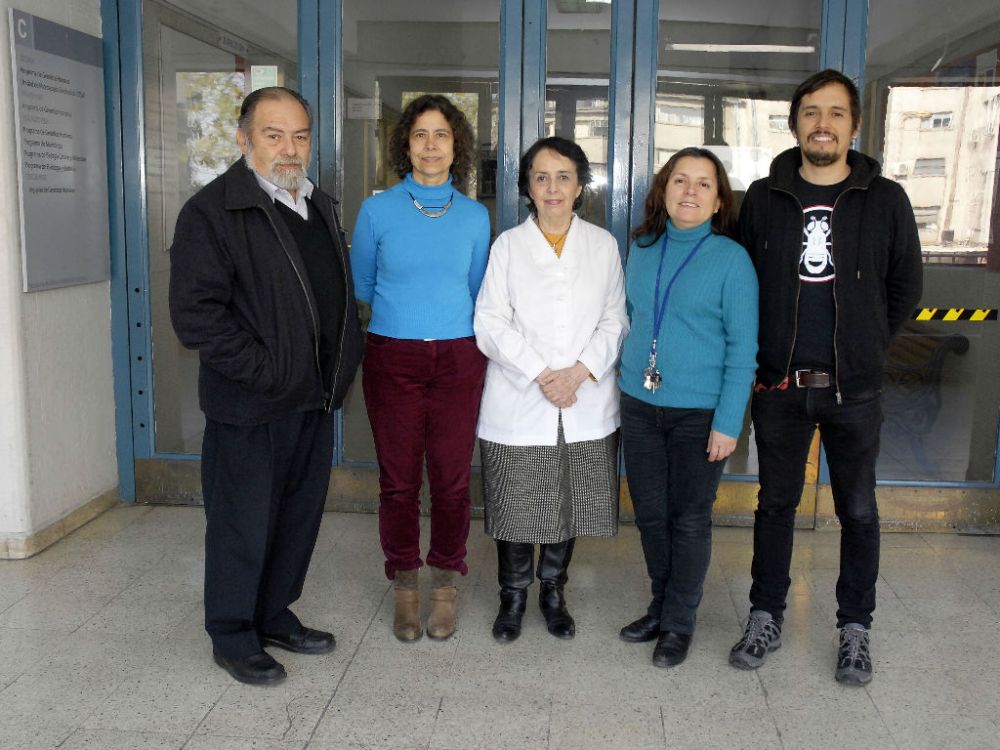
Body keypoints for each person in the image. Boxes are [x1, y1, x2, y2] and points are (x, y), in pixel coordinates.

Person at [728, 69, 923, 685]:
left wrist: (864, 350)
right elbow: (740, 282)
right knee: (775, 506)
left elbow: (905, 290)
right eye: (811, 111)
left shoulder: (886, 199)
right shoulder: (763, 197)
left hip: (853, 392)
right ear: (794, 123)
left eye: (836, 113)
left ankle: (855, 628)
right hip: (781, 387)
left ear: (855, 125)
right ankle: (766, 615)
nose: (823, 123)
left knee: (859, 511)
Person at [169, 87, 364, 685]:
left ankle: (273, 613)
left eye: (300, 135)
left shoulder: (317, 204)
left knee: (296, 516)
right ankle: (232, 633)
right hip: (250, 405)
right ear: (243, 139)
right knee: (242, 521)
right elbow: (197, 317)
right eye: (274, 135)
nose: (289, 147)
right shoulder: (212, 212)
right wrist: (269, 371)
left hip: (312, 398)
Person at [474, 136, 628, 643]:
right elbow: (490, 323)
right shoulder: (508, 246)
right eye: (541, 177)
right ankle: (512, 595)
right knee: (518, 503)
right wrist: (544, 374)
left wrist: (579, 373)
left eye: (564, 176)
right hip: (522, 398)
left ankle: (553, 592)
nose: (553, 187)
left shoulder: (602, 245)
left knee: (569, 501)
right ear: (527, 187)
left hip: (583, 399)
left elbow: (615, 319)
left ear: (581, 184)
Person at [351, 94, 490, 643]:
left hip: (459, 357)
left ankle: (445, 586)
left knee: (453, 482)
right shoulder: (377, 210)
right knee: (399, 482)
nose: (431, 145)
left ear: (457, 147)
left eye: (442, 135)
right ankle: (405, 586)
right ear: (404, 144)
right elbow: (363, 283)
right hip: (392, 356)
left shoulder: (476, 216)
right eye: (420, 135)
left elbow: (479, 289)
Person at [617, 148, 758, 667]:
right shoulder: (643, 247)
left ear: (719, 200)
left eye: (704, 184)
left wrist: (728, 423)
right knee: (651, 516)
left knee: (690, 519)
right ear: (664, 189)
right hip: (639, 404)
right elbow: (631, 318)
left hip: (700, 413)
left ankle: (679, 622)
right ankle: (659, 605)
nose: (690, 192)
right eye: (681, 180)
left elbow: (744, 349)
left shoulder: (732, 260)